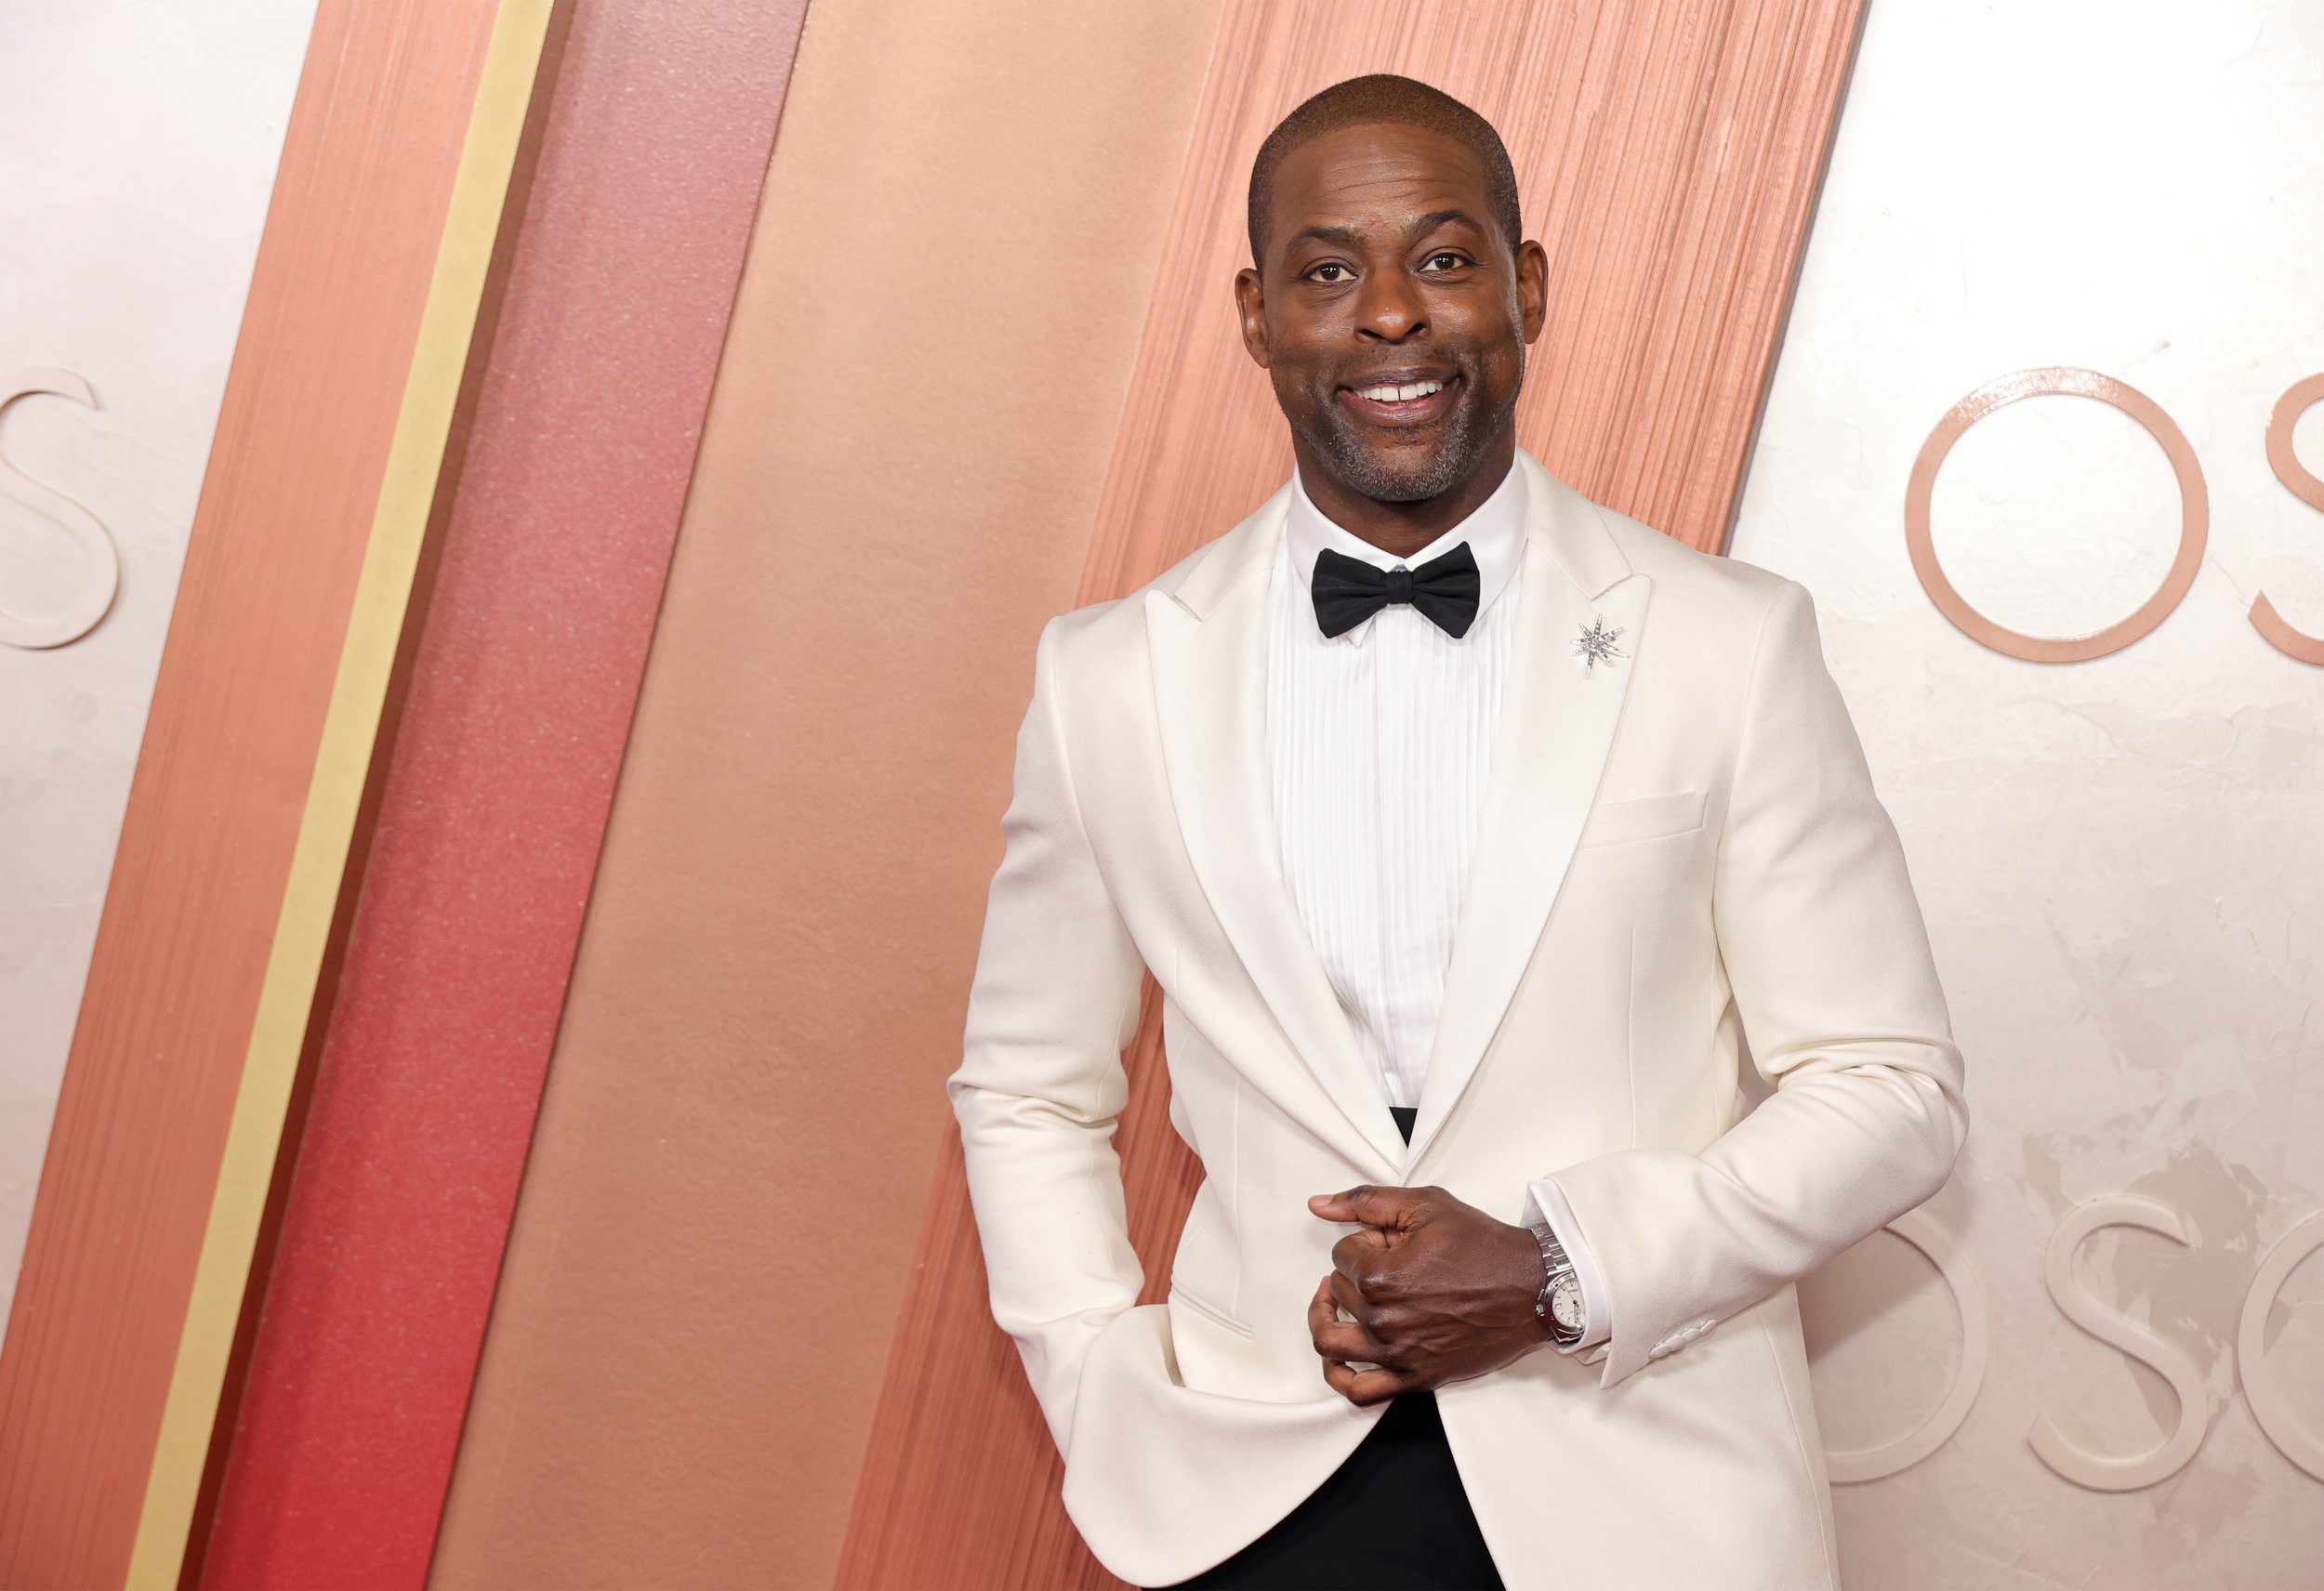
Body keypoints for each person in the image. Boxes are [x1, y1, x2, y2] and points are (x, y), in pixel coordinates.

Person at [947, 72, 1964, 1591]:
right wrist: (1099, 1382)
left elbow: (1891, 1090)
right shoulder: (1109, 677)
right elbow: (1027, 1086)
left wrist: (1568, 1268)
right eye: (1327, 271)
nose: (1390, 320)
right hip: (1244, 1498)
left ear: (1523, 285)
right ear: (1254, 315)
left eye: (1441, 258)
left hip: (1648, 1495)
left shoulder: (1729, 643)